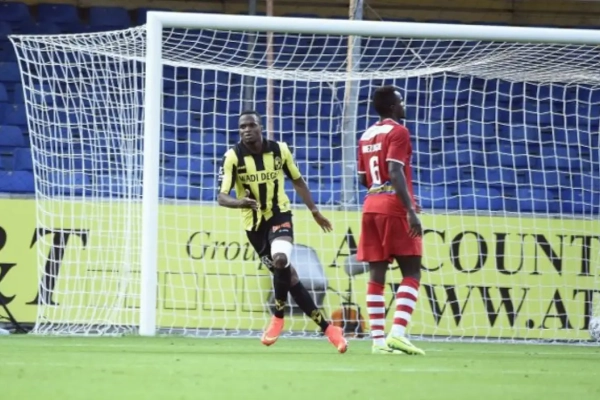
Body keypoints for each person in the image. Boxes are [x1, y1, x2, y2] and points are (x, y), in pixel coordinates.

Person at [217, 110, 348, 354]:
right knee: (291, 278)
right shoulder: (232, 157)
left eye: (251, 125)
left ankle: (278, 317)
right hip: (254, 226)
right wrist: (240, 202)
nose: (246, 130)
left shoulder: (280, 150)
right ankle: (330, 330)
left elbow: (297, 180)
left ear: (260, 127)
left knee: (281, 259)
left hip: (279, 214)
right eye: (242, 127)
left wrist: (314, 211)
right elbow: (221, 197)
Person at [356, 86, 426, 356]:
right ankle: (397, 333)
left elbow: (363, 177)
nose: (404, 106)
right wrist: (410, 209)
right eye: (401, 102)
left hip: (370, 205)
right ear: (393, 107)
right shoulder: (399, 132)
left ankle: (378, 341)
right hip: (393, 206)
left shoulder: (366, 135)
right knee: (412, 272)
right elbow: (395, 171)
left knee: (377, 275)